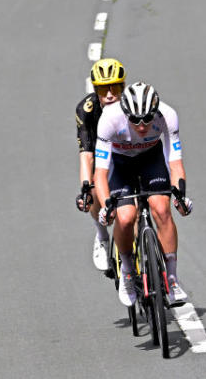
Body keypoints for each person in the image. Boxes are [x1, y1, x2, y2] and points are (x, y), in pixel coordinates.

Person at [94, 82, 194, 307]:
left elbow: (174, 161)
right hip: (119, 165)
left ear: (155, 112)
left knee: (161, 208)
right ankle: (128, 272)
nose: (141, 126)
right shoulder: (110, 119)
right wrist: (105, 206)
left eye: (147, 119)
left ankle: (172, 278)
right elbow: (100, 173)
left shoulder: (167, 115)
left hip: (151, 159)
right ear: (125, 113)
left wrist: (180, 195)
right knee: (126, 217)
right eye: (135, 120)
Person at [75, 58, 127, 272]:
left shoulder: (132, 104)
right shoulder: (86, 110)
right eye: (103, 89)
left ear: (123, 87)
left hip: (130, 152)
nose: (109, 94)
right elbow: (86, 155)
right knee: (94, 190)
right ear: (95, 90)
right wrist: (85, 188)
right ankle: (102, 236)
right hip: (101, 155)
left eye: (114, 87)